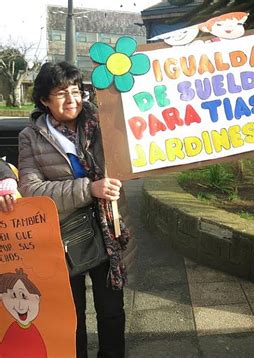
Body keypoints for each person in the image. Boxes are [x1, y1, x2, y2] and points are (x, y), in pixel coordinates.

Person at [18, 61, 136, 358]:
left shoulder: (104, 122)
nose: (72, 100)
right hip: (63, 240)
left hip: (109, 231)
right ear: (44, 99)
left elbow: (132, 155)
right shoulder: (31, 137)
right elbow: (32, 190)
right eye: (61, 93)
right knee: (72, 317)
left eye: (76, 91)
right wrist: (89, 189)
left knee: (112, 313)